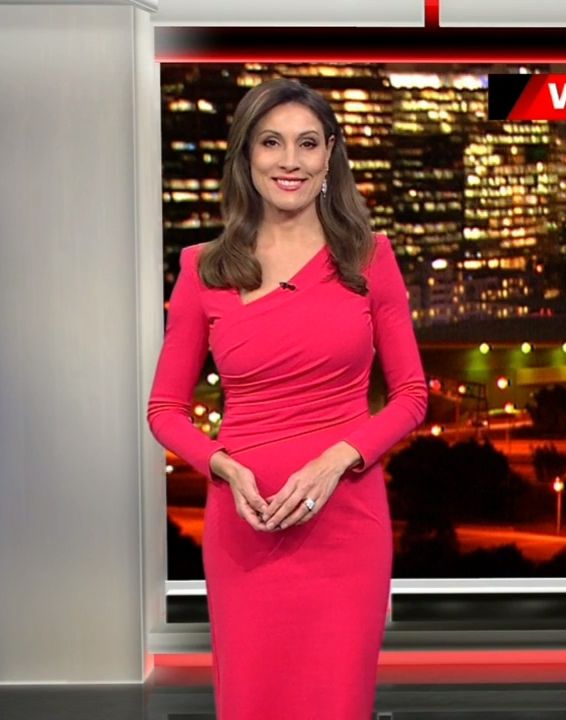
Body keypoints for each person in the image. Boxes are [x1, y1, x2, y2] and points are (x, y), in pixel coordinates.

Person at [147, 77, 427, 720]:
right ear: (247, 156)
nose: (290, 161)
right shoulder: (204, 269)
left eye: (307, 143)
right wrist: (222, 465)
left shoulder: (369, 258)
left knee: (336, 699)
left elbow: (412, 396)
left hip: (347, 526)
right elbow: (165, 410)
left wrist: (337, 460)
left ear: (330, 155)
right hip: (246, 526)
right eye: (271, 143)